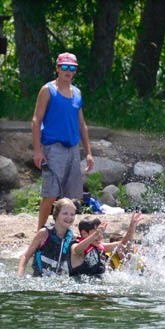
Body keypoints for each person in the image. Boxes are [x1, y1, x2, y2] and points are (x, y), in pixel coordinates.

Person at [31, 52, 94, 230]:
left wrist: (88, 152)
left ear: (75, 70)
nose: (68, 70)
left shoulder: (77, 93)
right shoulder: (48, 90)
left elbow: (82, 124)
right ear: (58, 68)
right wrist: (37, 150)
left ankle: (61, 233)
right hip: (52, 147)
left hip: (73, 148)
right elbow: (36, 119)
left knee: (70, 197)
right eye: (64, 67)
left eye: (72, 67)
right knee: (50, 194)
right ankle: (40, 233)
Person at [69, 212, 143, 277]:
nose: (101, 237)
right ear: (84, 234)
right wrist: (94, 235)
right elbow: (77, 250)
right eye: (97, 233)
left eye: (101, 233)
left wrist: (132, 228)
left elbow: (123, 244)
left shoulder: (100, 246)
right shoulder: (75, 246)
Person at [17, 198, 77, 277]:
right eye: (65, 213)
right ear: (56, 214)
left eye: (72, 214)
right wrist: (19, 275)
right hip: (39, 280)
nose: (69, 217)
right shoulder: (44, 233)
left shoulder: (73, 238)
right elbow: (25, 256)